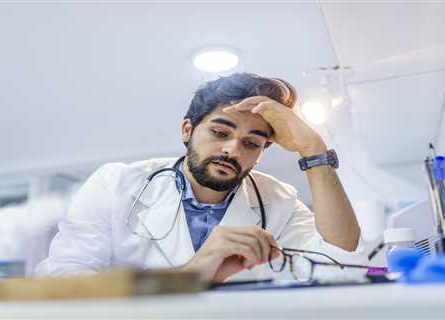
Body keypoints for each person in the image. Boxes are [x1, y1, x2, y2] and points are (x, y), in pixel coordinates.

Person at [35, 73, 364, 282]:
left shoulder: (279, 199)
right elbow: (60, 282)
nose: (233, 150)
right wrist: (193, 273)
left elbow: (342, 260)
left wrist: (313, 148)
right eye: (220, 132)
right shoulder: (116, 184)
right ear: (187, 130)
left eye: (251, 143)